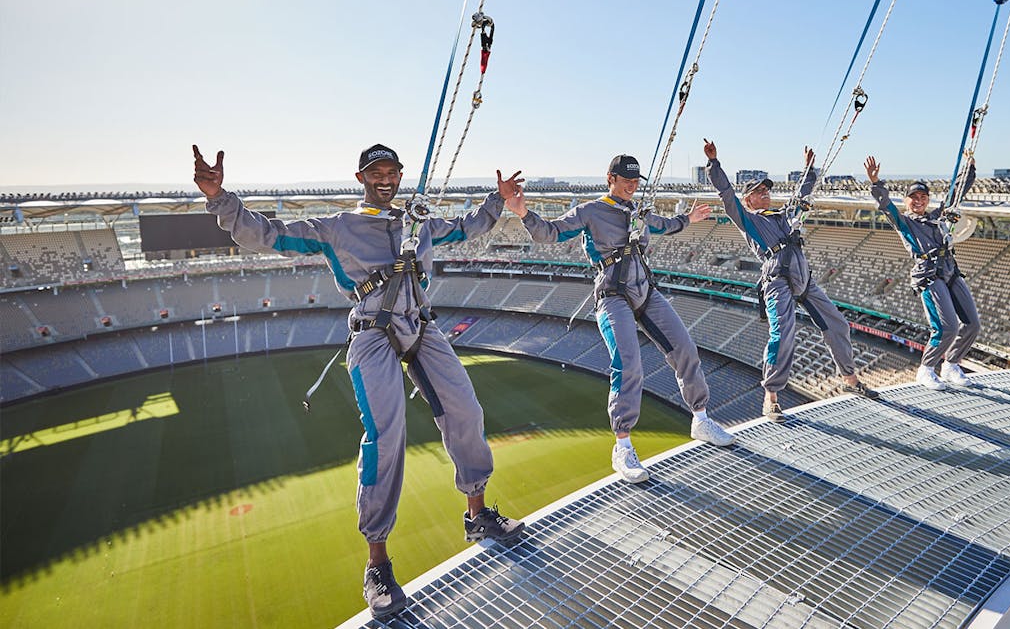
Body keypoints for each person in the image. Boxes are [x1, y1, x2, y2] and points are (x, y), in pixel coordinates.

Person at [193, 143, 526, 619]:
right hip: (372, 333)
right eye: (377, 172)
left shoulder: (417, 222)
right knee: (387, 437)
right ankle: (377, 562)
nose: (385, 178)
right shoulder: (337, 227)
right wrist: (219, 197)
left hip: (422, 326)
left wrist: (497, 200)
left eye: (392, 171)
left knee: (466, 411)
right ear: (361, 177)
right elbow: (266, 234)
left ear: (399, 176)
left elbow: (468, 225)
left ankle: (477, 515)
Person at [501, 154, 735, 483]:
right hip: (612, 294)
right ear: (610, 178)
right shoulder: (590, 211)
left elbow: (664, 226)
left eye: (636, 181)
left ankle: (700, 419)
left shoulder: (639, 212)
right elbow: (551, 233)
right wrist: (523, 212)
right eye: (626, 180)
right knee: (628, 362)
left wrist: (688, 218)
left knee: (685, 349)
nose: (632, 186)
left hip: (646, 291)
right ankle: (622, 447)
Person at [703, 140, 878, 421]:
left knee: (838, 324)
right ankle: (770, 396)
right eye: (758, 192)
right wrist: (714, 164)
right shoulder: (749, 220)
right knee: (782, 334)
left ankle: (850, 378)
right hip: (777, 279)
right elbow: (727, 195)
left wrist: (808, 170)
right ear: (748, 200)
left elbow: (802, 193)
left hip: (803, 276)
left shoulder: (785, 216)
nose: (765, 194)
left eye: (766, 190)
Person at [863, 154, 979, 390]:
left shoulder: (937, 218)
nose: (918, 201)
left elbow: (956, 194)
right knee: (947, 327)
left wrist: (969, 168)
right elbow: (885, 206)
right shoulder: (905, 222)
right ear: (906, 201)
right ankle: (926, 369)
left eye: (923, 197)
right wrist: (876, 183)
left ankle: (951, 365)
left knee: (972, 324)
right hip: (928, 274)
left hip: (949, 270)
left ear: (927, 200)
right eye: (913, 197)